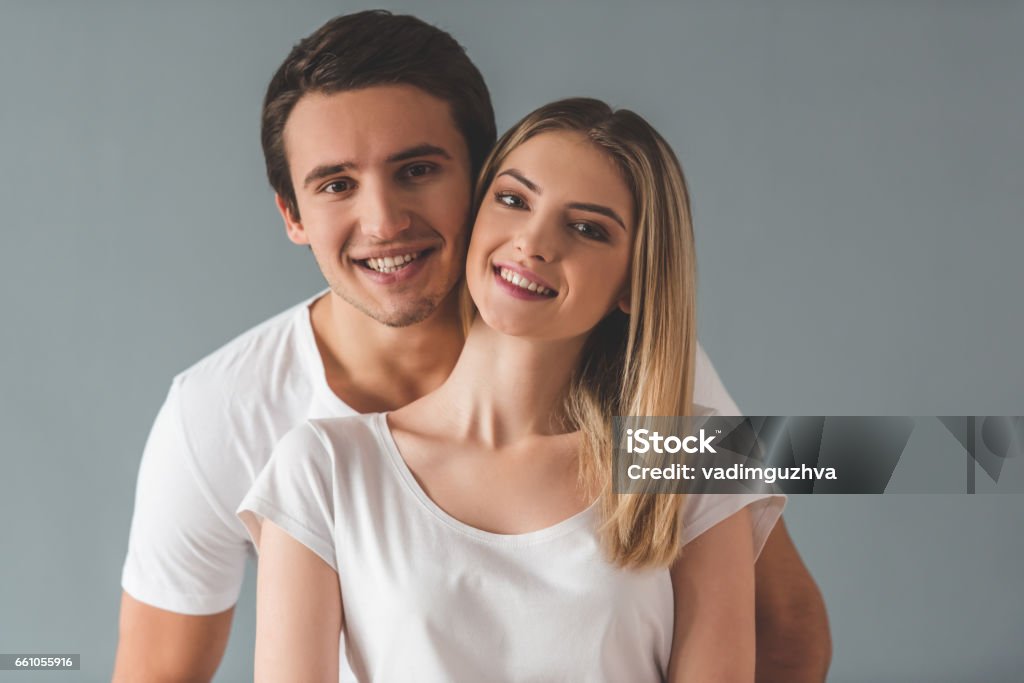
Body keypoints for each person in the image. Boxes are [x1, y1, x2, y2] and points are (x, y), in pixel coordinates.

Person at [112, 10, 830, 683]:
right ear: (292, 214)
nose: (384, 220)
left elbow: (786, 623)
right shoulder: (231, 417)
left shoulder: (651, 393)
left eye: (418, 169)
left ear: (477, 173)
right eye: (336, 184)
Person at [239, 97, 786, 682]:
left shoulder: (702, 452)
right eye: (513, 200)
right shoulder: (321, 467)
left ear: (635, 280)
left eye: (586, 228)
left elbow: (794, 611)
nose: (533, 242)